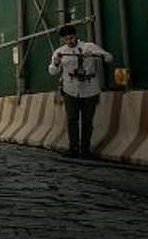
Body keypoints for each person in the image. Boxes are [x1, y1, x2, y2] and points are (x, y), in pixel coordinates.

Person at [47, 23, 113, 158]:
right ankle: (73, 148)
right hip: (70, 90)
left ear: (75, 36)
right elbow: (52, 71)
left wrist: (95, 55)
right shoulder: (60, 52)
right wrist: (56, 62)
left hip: (90, 89)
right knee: (72, 119)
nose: (69, 41)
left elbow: (109, 57)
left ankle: (85, 149)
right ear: (63, 40)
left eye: (71, 38)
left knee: (88, 120)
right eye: (66, 39)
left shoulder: (88, 46)